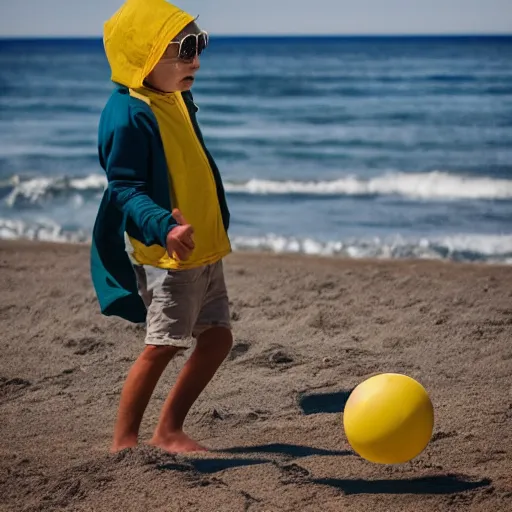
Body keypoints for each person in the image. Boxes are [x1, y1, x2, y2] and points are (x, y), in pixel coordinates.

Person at [90, 0, 233, 453]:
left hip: (202, 249)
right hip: (168, 256)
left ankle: (168, 430)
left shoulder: (176, 97)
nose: (195, 58)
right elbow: (125, 189)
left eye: (200, 44)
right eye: (184, 48)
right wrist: (163, 228)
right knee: (163, 344)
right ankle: (124, 443)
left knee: (217, 338)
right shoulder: (129, 113)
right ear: (143, 55)